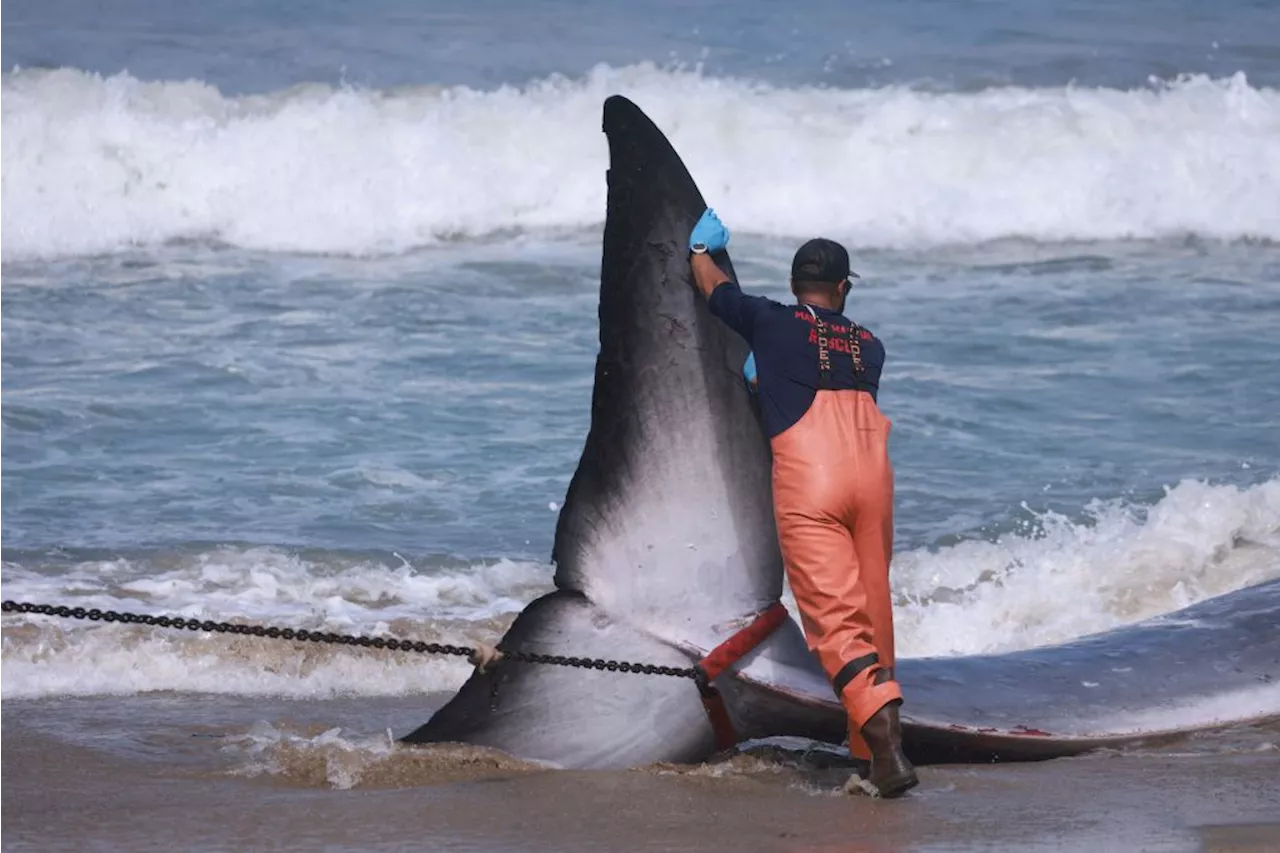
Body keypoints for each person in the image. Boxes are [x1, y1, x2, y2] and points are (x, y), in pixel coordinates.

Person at [687, 208, 917, 799]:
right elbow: (828, 373)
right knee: (873, 611)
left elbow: (717, 291)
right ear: (843, 287)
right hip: (873, 477)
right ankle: (869, 750)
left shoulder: (771, 319)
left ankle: (886, 748)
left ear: (795, 287)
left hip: (812, 481)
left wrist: (699, 252)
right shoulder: (872, 345)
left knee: (835, 621)